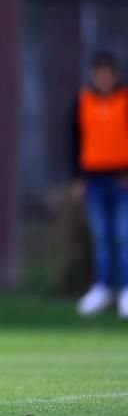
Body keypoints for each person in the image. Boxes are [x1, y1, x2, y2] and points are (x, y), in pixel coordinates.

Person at [71, 51, 128, 318]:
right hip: (94, 177)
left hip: (121, 178)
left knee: (122, 235)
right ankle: (103, 287)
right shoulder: (83, 101)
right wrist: (78, 177)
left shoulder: (124, 101)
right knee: (101, 237)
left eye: (108, 72)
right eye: (99, 72)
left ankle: (125, 289)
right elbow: (74, 141)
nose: (104, 78)